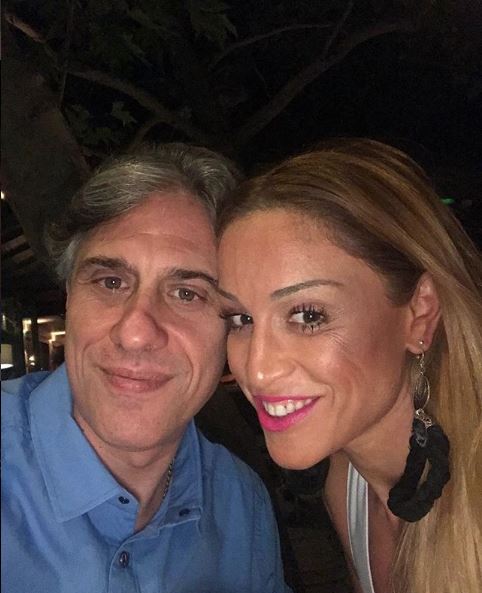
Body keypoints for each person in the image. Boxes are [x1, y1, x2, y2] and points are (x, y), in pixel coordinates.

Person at [1, 143, 291, 593]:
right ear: (70, 297)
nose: (136, 332)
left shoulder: (241, 503)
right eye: (110, 282)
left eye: (187, 294)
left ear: (234, 326)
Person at [216, 138, 482, 593]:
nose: (256, 371)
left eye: (307, 316)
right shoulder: (348, 483)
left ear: (419, 313)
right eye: (240, 319)